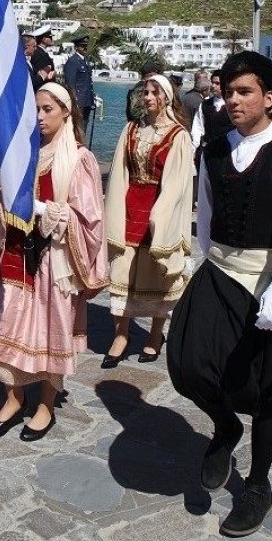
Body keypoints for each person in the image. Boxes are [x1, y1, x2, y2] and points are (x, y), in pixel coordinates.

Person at [167, 51, 272, 538]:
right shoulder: (214, 149)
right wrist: (199, 258)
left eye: (244, 91)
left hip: (269, 280)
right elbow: (206, 211)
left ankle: (258, 485)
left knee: (267, 390)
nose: (233, 100)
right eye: (228, 91)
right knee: (188, 364)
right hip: (219, 271)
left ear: (269, 98)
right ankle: (226, 426)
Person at [0, 83, 108, 440]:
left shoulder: (79, 159)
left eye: (48, 109)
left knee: (50, 330)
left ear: (66, 112)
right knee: (6, 323)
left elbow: (89, 218)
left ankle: (46, 404)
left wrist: (43, 209)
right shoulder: (18, 153)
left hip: (52, 260)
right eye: (36, 110)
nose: (40, 117)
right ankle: (13, 397)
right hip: (13, 251)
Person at [103, 74, 193, 365]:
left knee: (157, 275)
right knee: (121, 273)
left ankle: (155, 334)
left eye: (155, 92)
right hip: (130, 208)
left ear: (167, 97)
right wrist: (113, 210)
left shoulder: (178, 135)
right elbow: (119, 172)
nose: (148, 97)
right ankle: (121, 334)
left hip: (159, 210)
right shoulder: (131, 129)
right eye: (146, 92)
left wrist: (161, 217)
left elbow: (177, 184)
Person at [191, 69, 232, 154]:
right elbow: (197, 128)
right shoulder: (204, 105)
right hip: (208, 151)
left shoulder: (232, 104)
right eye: (212, 83)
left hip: (229, 152)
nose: (213, 86)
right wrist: (194, 149)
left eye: (217, 83)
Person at [63, 34, 95, 130]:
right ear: (76, 47)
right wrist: (74, 100)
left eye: (86, 46)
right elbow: (70, 83)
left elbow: (88, 81)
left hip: (86, 100)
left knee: (83, 126)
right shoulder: (73, 61)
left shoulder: (85, 60)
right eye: (82, 46)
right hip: (79, 101)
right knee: (77, 127)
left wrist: (92, 97)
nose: (85, 48)